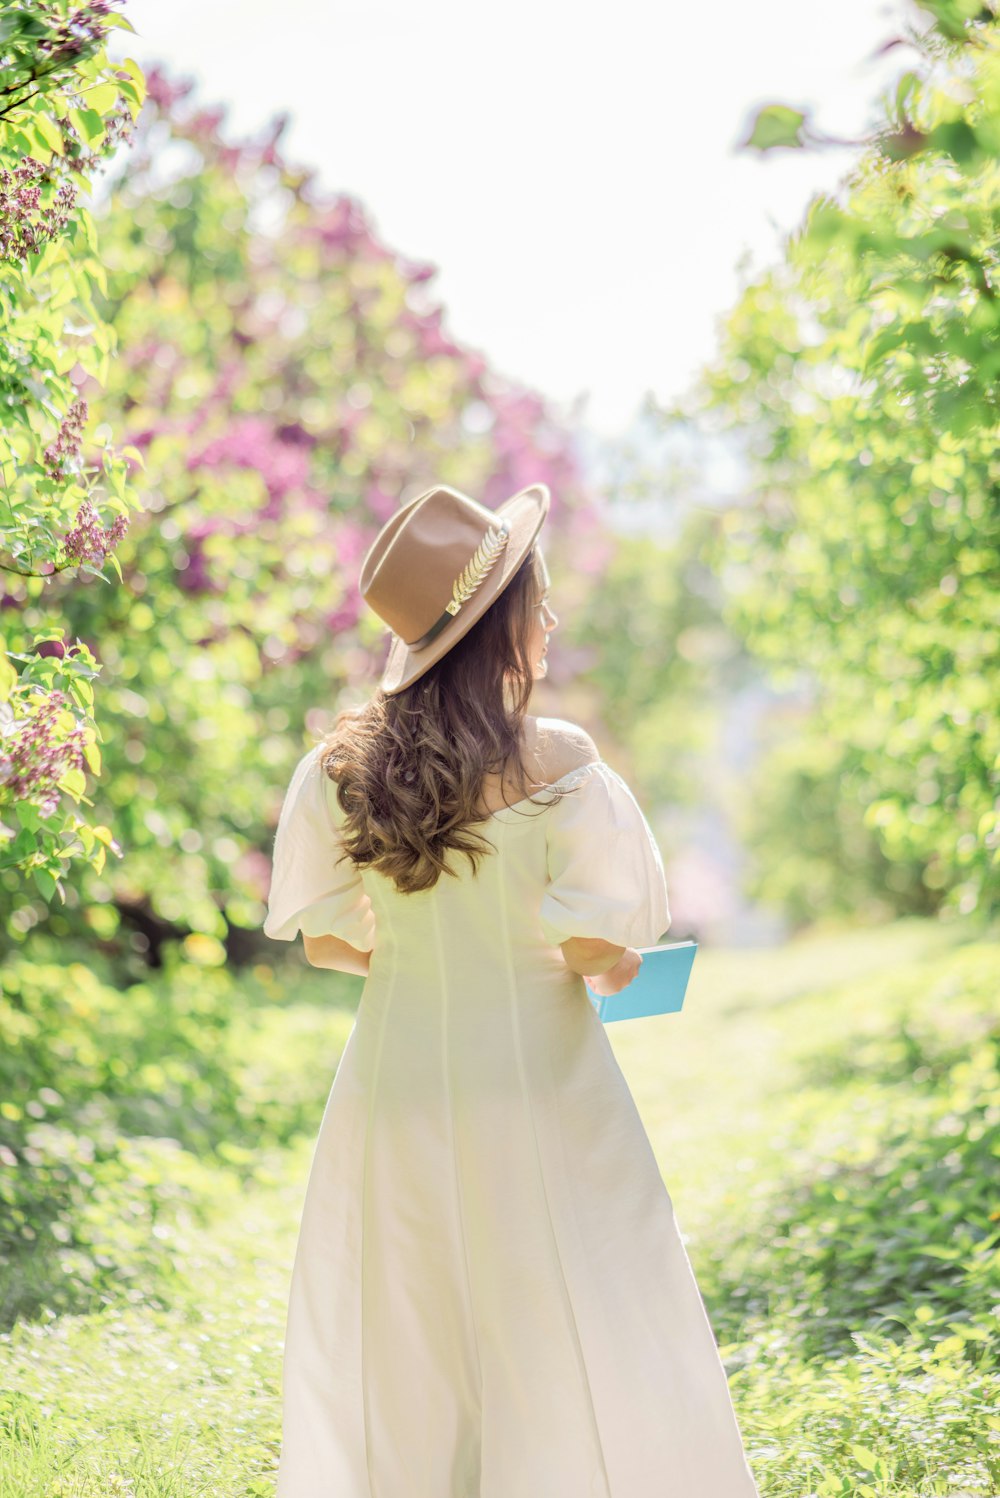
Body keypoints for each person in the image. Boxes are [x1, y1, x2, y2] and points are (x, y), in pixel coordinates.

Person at [262, 481, 760, 1497]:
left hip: (393, 1092)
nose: (553, 617)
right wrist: (620, 969)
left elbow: (323, 942)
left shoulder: (338, 771)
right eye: (540, 599)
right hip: (541, 1089)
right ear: (502, 628)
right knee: (579, 1315)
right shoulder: (558, 763)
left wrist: (421, 961)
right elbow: (592, 953)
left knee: (413, 1337)